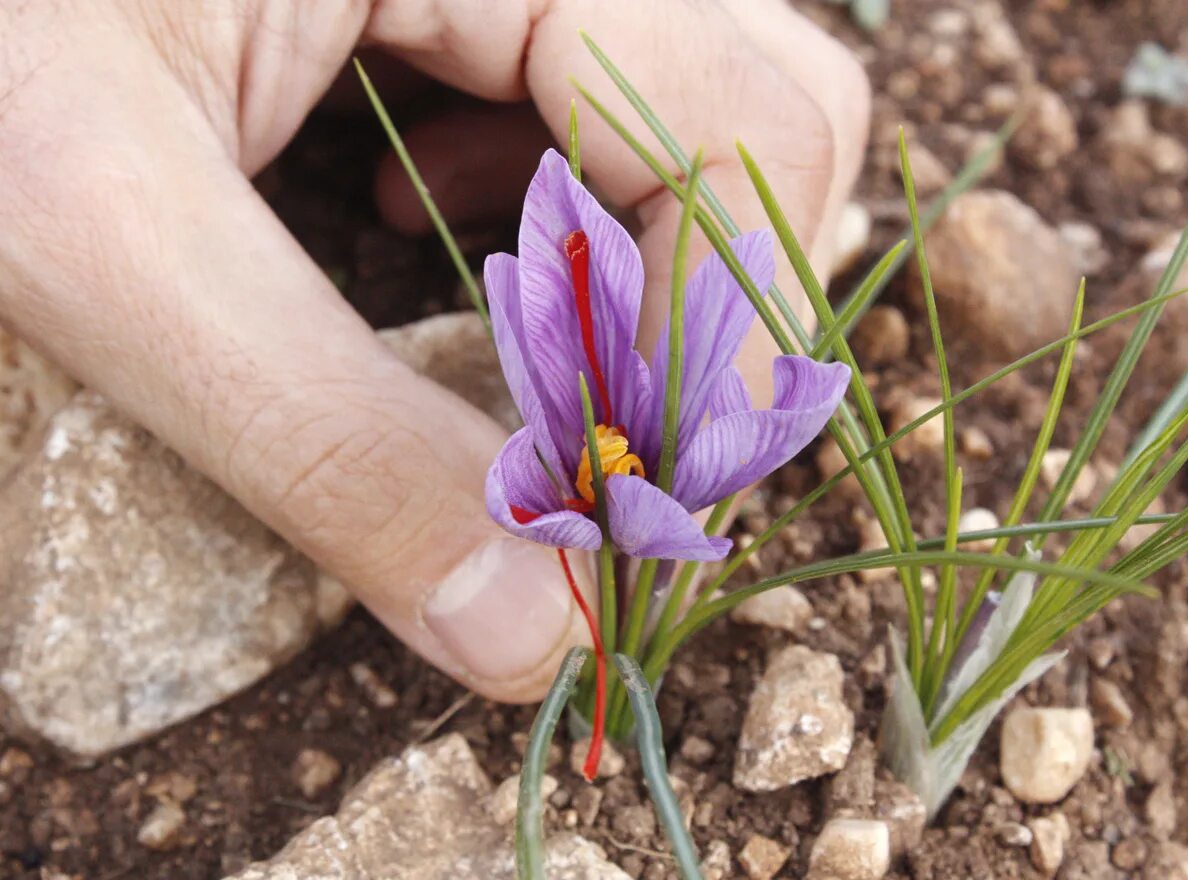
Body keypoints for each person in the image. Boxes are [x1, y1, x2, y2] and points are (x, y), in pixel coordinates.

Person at [0, 1, 868, 702]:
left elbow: (783, 401)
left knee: (694, 347)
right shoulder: (550, 491)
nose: (622, 466)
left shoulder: (618, 486)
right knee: (592, 319)